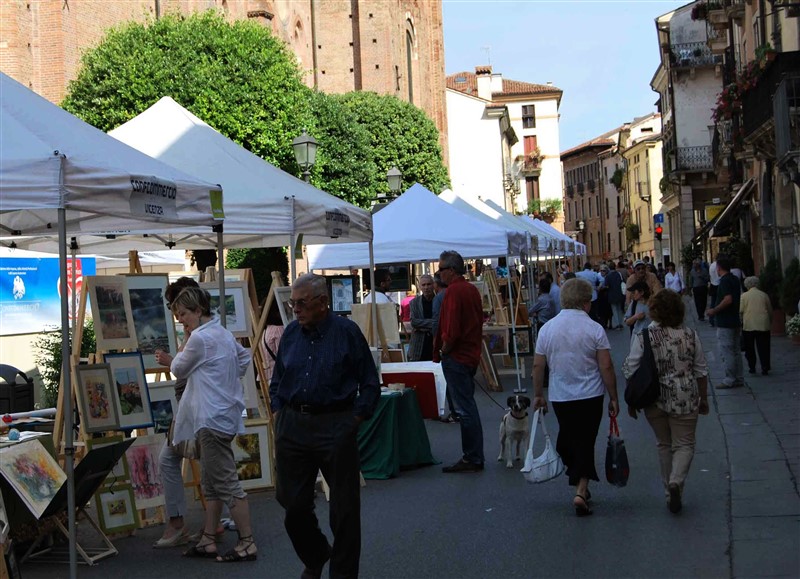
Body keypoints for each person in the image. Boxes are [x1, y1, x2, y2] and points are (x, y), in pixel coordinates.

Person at [269, 273, 380, 578]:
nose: (296, 309)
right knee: (292, 504)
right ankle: (316, 553)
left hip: (335, 424)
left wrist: (353, 420)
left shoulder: (346, 332)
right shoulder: (291, 334)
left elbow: (370, 384)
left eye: (302, 303)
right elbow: (278, 379)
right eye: (293, 303)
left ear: (322, 302)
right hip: (293, 425)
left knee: (344, 511)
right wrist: (278, 410)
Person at [158, 287, 257, 562]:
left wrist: (173, 359)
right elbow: (244, 358)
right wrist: (225, 380)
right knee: (212, 482)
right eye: (178, 315)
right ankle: (208, 539)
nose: (181, 320)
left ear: (197, 311)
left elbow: (178, 369)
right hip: (221, 416)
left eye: (183, 314)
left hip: (211, 418)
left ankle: (247, 541)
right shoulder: (221, 332)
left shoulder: (200, 338)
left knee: (225, 482)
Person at [532, 278, 619, 516]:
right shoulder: (594, 329)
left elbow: (538, 366)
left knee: (569, 438)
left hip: (561, 396)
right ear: (585, 303)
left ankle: (580, 485)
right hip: (590, 394)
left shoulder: (547, 329)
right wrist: (614, 397)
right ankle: (581, 488)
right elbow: (606, 366)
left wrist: (538, 394)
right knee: (585, 439)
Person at [622, 289, 709, 514]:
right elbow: (701, 370)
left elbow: (631, 369)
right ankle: (676, 481)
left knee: (664, 444)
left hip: (654, 399)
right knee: (685, 444)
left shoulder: (643, 336)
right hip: (685, 396)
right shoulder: (690, 335)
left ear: (654, 312)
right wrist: (704, 398)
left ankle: (669, 491)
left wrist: (632, 400)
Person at [152, 276, 200, 549]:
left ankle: (179, 522)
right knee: (210, 461)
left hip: (193, 405)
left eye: (179, 310)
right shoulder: (194, 330)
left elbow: (190, 366)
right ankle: (211, 523)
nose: (177, 315)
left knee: (169, 459)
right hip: (189, 404)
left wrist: (172, 361)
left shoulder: (198, 333)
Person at [433, 250, 485, 473]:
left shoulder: (454, 292)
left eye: (441, 269)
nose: (439, 274)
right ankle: (474, 455)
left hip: (458, 356)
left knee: (464, 409)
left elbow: (451, 330)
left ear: (451, 271)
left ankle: (472, 457)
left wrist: (444, 350)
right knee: (468, 407)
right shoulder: (471, 289)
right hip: (469, 355)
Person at [706, 254, 744, 389]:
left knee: (726, 350)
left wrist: (714, 310)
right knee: (735, 350)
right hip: (734, 319)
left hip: (725, 320)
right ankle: (739, 377)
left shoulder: (724, 281)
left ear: (719, 268)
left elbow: (728, 299)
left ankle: (729, 379)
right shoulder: (734, 279)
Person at [432, 274, 458, 423]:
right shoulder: (453, 294)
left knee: (448, 378)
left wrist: (437, 343)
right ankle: (458, 411)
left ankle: (455, 411)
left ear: (436, 284)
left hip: (445, 342)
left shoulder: (439, 298)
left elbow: (437, 322)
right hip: (457, 342)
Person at [740, 276, 772, 376]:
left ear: (746, 285)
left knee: (750, 348)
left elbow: (741, 310)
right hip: (763, 324)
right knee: (764, 347)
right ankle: (765, 367)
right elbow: (770, 309)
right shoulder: (764, 295)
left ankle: (752, 367)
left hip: (749, 324)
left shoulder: (744, 296)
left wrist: (741, 321)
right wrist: (770, 320)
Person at [408, 274, 436, 362]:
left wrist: (422, 326)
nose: (426, 287)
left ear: (433, 285)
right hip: (418, 346)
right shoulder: (414, 302)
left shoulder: (439, 300)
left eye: (428, 284)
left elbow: (441, 322)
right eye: (423, 285)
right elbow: (414, 322)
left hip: (435, 344)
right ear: (419, 287)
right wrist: (433, 324)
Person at [261, 299, 285, 384]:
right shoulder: (278, 329)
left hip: (269, 375)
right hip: (280, 377)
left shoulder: (266, 329)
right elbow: (284, 356)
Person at [605, 264, 625, 330]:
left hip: (611, 294)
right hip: (619, 293)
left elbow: (607, 286)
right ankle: (621, 323)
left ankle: (617, 324)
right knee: (619, 309)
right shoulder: (619, 274)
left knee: (614, 309)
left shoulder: (608, 276)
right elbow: (622, 282)